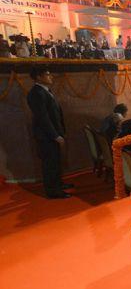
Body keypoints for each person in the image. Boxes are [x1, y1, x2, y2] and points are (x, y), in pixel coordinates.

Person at [27, 67, 73, 198]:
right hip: (46, 136)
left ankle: (58, 184)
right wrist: (55, 135)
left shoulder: (45, 91)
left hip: (53, 134)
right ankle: (53, 191)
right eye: (47, 74)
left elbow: (55, 113)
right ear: (38, 77)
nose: (51, 76)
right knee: (50, 163)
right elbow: (43, 117)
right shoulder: (36, 93)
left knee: (56, 161)